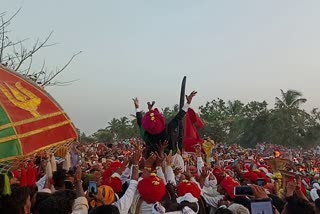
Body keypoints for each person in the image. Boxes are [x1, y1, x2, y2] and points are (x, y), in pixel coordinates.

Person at [133, 91, 197, 157]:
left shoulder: (146, 134)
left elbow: (142, 122)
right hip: (170, 158)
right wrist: (188, 103)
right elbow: (179, 117)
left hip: (152, 159)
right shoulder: (168, 129)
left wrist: (139, 108)